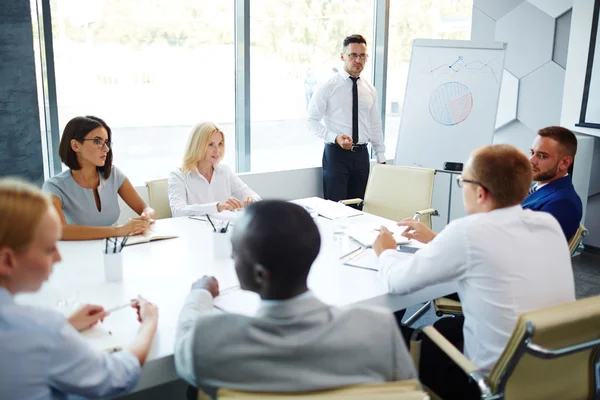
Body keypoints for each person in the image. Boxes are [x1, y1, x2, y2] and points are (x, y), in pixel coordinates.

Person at [373, 144, 575, 400]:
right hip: (555, 365)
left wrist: (386, 250)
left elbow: (396, 282)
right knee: (447, 325)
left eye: (462, 182)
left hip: (489, 384)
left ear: (479, 192)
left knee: (387, 333)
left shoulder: (468, 231)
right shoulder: (547, 224)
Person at [174, 201, 416, 396]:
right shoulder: (379, 329)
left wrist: (199, 294)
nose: (232, 258)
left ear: (260, 274)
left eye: (235, 252)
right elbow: (404, 390)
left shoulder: (208, 340)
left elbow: (185, 343)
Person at [0, 178, 159, 399]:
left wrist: (67, 325)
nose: (58, 257)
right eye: (49, 248)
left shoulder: (30, 330)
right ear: (7, 261)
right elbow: (117, 377)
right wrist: (149, 323)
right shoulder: (42, 328)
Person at [42, 116, 155, 241]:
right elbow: (60, 230)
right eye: (97, 141)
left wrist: (146, 217)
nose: (106, 149)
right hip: (75, 255)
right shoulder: (53, 187)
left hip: (111, 250)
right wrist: (119, 230)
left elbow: (146, 208)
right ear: (75, 146)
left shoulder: (114, 174)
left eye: (106, 142)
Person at [307, 34, 386, 202]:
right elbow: (311, 121)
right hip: (336, 155)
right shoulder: (328, 87)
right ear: (343, 56)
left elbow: (374, 125)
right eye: (353, 55)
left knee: (360, 208)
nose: (358, 60)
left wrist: (381, 156)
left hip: (362, 156)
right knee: (335, 208)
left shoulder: (370, 89)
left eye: (362, 55)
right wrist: (334, 137)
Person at [168, 122, 261, 217]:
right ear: (197, 146)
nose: (217, 151)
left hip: (223, 229)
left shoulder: (225, 171)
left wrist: (251, 200)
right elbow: (178, 211)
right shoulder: (178, 175)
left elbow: (256, 197)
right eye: (211, 145)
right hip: (193, 230)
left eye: (220, 144)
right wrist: (217, 207)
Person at [522, 126, 583, 240]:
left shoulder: (563, 203)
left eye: (542, 156)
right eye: (532, 152)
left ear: (564, 163)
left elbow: (529, 249)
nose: (531, 160)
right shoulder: (534, 187)